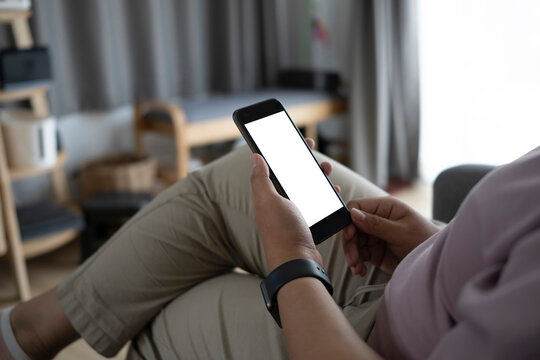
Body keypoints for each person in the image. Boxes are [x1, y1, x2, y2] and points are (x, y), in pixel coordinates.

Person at [1, 140, 539, 360]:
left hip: (382, 340)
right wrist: (433, 243)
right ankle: (28, 329)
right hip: (426, 277)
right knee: (243, 171)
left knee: (166, 324)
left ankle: (20, 337)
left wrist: (292, 259)